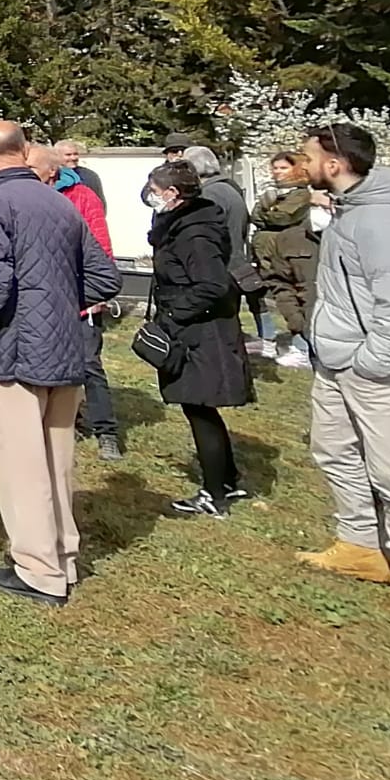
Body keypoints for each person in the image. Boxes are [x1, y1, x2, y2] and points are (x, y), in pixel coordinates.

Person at [0, 121, 120, 606]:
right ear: (23, 150)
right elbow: (103, 277)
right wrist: (56, 304)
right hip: (64, 347)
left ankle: (39, 571)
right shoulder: (58, 200)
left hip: (14, 353)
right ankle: (63, 558)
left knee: (22, 466)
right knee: (57, 462)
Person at [296, 123, 390, 617]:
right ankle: (361, 546)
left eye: (308, 157)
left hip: (379, 373)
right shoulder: (350, 213)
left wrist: (372, 364)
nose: (303, 166)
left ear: (335, 162)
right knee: (335, 452)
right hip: (339, 362)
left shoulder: (379, 222)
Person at [143, 160, 253, 518]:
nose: (151, 198)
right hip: (194, 327)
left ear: (173, 194)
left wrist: (174, 312)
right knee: (200, 407)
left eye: (155, 191)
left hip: (201, 332)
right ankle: (227, 479)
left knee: (199, 407)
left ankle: (214, 493)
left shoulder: (194, 232)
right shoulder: (182, 225)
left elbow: (212, 284)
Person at [38, 145, 123, 461]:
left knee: (89, 364)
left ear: (52, 169)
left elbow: (101, 245)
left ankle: (106, 431)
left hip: (80, 296)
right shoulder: (30, 196)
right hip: (44, 297)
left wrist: (96, 294)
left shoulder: (82, 196)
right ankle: (61, 424)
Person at [182, 145, 266, 355]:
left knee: (219, 331)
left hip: (221, 266)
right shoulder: (229, 188)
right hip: (233, 261)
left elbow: (204, 235)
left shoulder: (210, 194)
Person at [251, 150, 320, 369]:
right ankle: (269, 340)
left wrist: (266, 209)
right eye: (276, 167)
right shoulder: (274, 193)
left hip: (292, 255)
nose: (278, 172)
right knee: (270, 295)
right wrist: (267, 208)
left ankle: (303, 347)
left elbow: (282, 217)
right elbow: (255, 215)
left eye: (284, 168)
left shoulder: (301, 194)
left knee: (296, 298)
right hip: (268, 254)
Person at [56, 139, 106, 207]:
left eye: (75, 154)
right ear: (56, 156)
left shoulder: (89, 176)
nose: (73, 158)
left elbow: (99, 203)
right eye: (68, 155)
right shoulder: (51, 175)